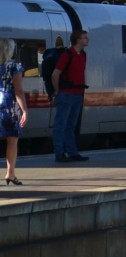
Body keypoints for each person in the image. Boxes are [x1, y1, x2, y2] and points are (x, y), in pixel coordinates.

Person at [51, 29, 90, 163]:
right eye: (85, 38)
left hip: (77, 94)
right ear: (77, 40)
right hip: (66, 94)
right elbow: (55, 74)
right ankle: (59, 153)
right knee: (60, 125)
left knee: (70, 125)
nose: (87, 40)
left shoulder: (83, 55)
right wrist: (57, 91)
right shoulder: (67, 55)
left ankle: (72, 153)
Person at [1, 38, 30, 185]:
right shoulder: (14, 66)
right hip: (9, 106)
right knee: (12, 140)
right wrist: (24, 110)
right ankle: (10, 174)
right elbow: (18, 91)